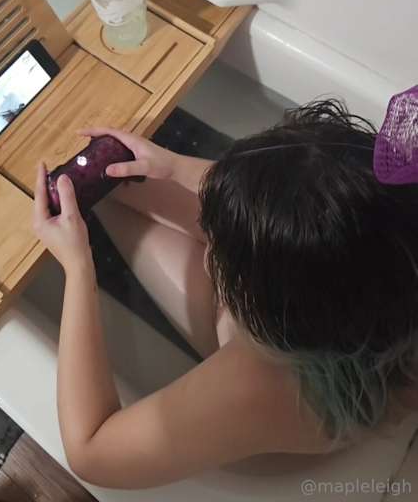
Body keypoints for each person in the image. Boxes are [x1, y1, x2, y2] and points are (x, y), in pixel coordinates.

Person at [33, 99, 418, 489]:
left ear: (262, 314)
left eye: (220, 256)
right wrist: (177, 166)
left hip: (296, 399)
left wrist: (78, 267)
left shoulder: (259, 388)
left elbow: (90, 452)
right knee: (109, 184)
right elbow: (322, 204)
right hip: (350, 344)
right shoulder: (399, 228)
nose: (208, 254)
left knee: (101, 207)